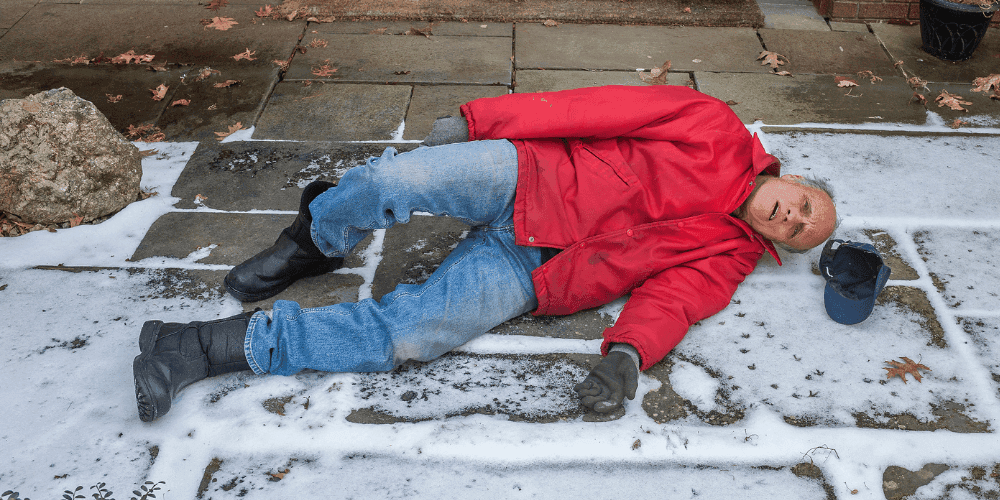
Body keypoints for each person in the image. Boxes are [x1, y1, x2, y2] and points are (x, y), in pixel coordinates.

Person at [132, 85, 837, 422]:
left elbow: (673, 302)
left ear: (781, 245)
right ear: (796, 179)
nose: (793, 217)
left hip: (537, 269)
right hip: (530, 174)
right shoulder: (712, 126)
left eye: (799, 231)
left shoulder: (729, 256)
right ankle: (315, 240)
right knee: (392, 179)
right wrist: (479, 122)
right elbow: (591, 111)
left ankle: (205, 346)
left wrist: (628, 355)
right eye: (804, 205)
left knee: (413, 335)